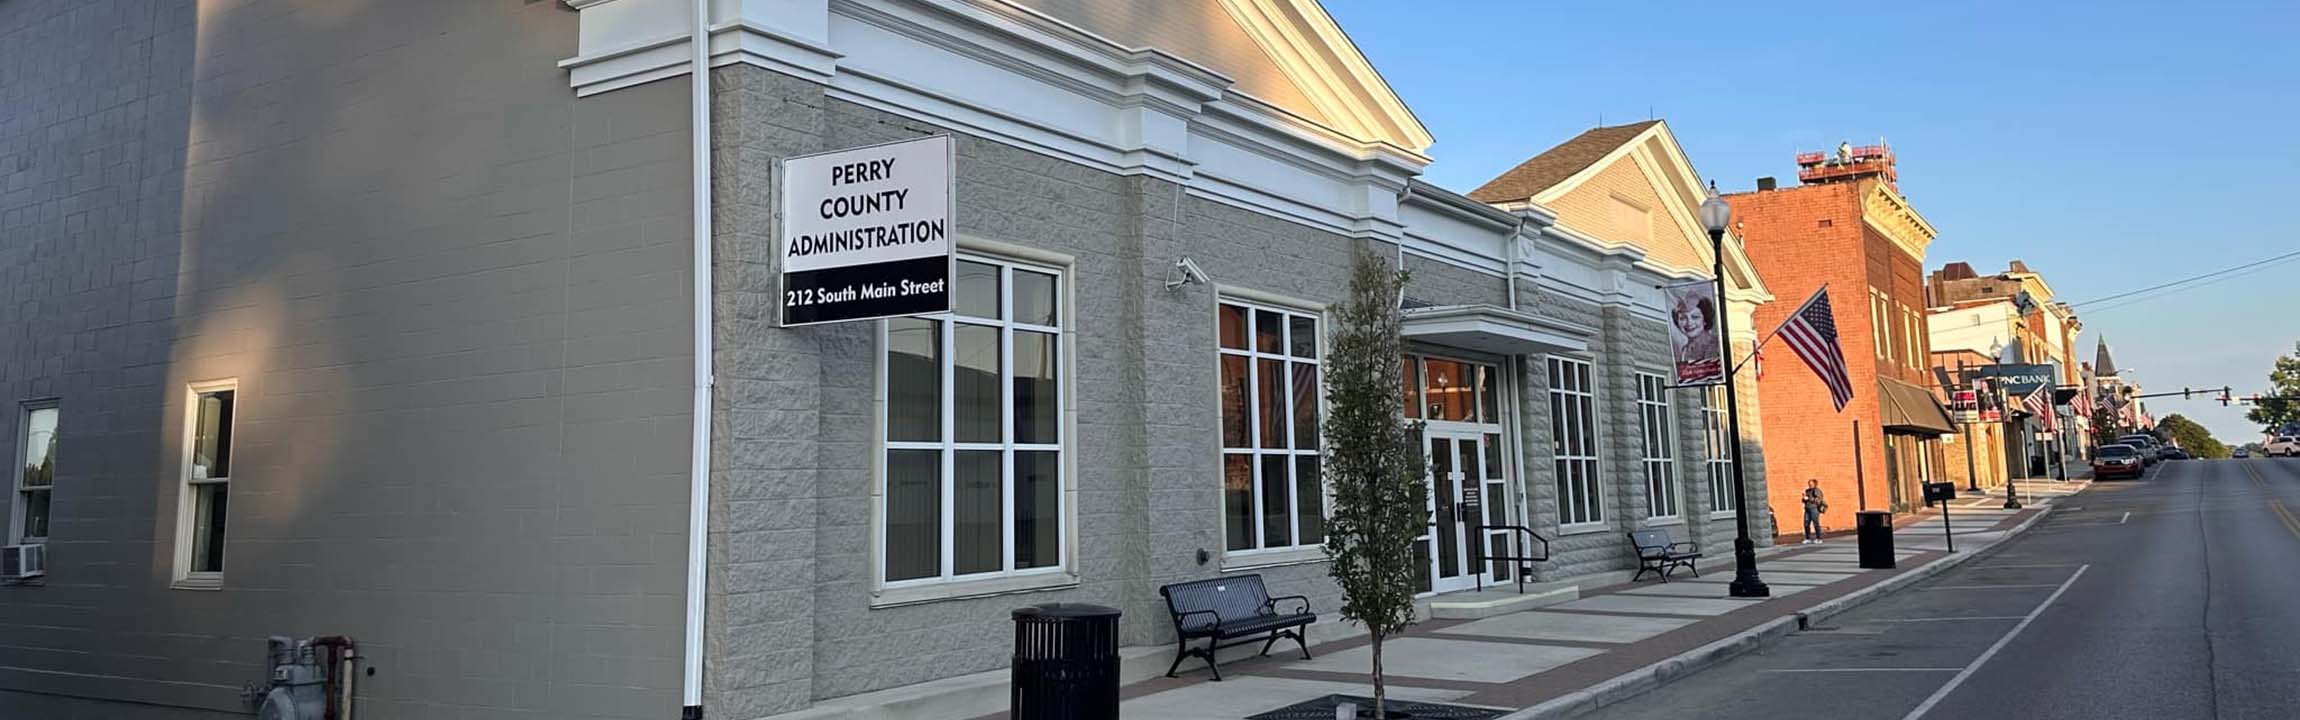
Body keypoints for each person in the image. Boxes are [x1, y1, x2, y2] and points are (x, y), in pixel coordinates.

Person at [1800, 479, 1827, 544]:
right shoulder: (1807, 491)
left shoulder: (1817, 491)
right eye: (1809, 484)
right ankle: (1808, 538)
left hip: (1814, 509)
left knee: (1816, 523)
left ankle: (1818, 538)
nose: (1810, 485)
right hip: (1807, 509)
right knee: (1806, 523)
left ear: (1815, 484)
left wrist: (1809, 499)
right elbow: (1804, 500)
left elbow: (1818, 500)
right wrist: (1804, 499)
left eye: (1811, 484)